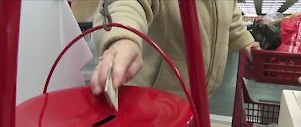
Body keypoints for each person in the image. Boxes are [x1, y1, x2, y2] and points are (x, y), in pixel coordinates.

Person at [73, 0, 260, 98]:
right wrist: (124, 37)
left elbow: (232, 16)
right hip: (152, 98)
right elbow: (129, 3)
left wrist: (246, 42)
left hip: (196, 97)